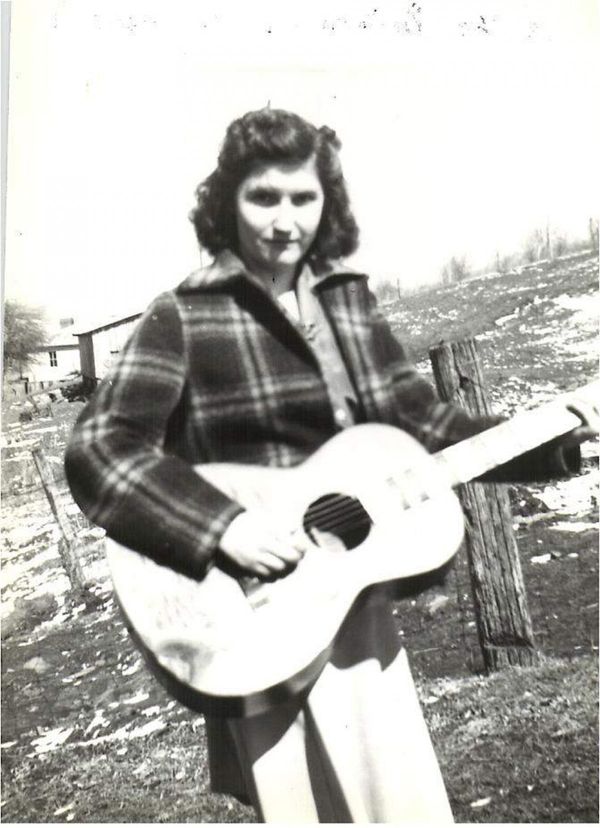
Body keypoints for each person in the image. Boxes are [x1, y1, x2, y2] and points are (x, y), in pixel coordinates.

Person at [64, 108, 598, 823]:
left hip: (351, 604)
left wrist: (558, 434)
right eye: (264, 197)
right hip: (249, 614)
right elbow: (101, 447)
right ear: (227, 202)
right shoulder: (184, 315)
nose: (285, 220)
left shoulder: (346, 306)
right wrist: (221, 527)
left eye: (304, 197)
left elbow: (426, 426)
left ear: (328, 202)